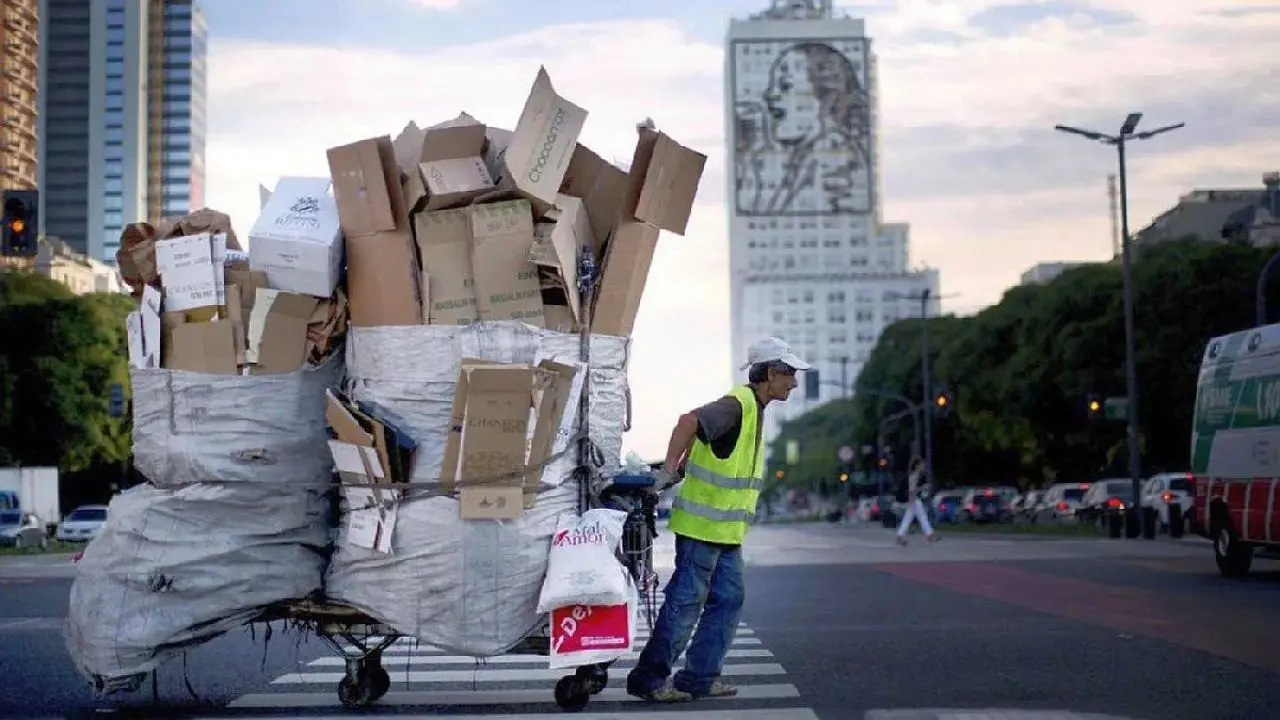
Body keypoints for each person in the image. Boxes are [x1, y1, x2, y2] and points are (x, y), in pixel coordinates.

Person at [626, 336, 810, 703]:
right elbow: (688, 421)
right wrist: (668, 469)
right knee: (686, 602)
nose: (794, 382)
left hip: (725, 532)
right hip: (702, 529)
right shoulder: (737, 405)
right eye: (789, 373)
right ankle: (648, 679)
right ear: (770, 373)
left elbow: (703, 442)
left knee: (728, 599)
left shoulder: (752, 409)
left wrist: (680, 466)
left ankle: (699, 678)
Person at [895, 456, 938, 545]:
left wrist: (923, 488)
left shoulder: (917, 476)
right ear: (917, 466)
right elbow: (912, 490)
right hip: (913, 499)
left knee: (909, 518)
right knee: (921, 516)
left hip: (914, 499)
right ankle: (930, 535)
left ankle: (900, 536)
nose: (923, 466)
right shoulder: (913, 476)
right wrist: (922, 488)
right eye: (921, 465)